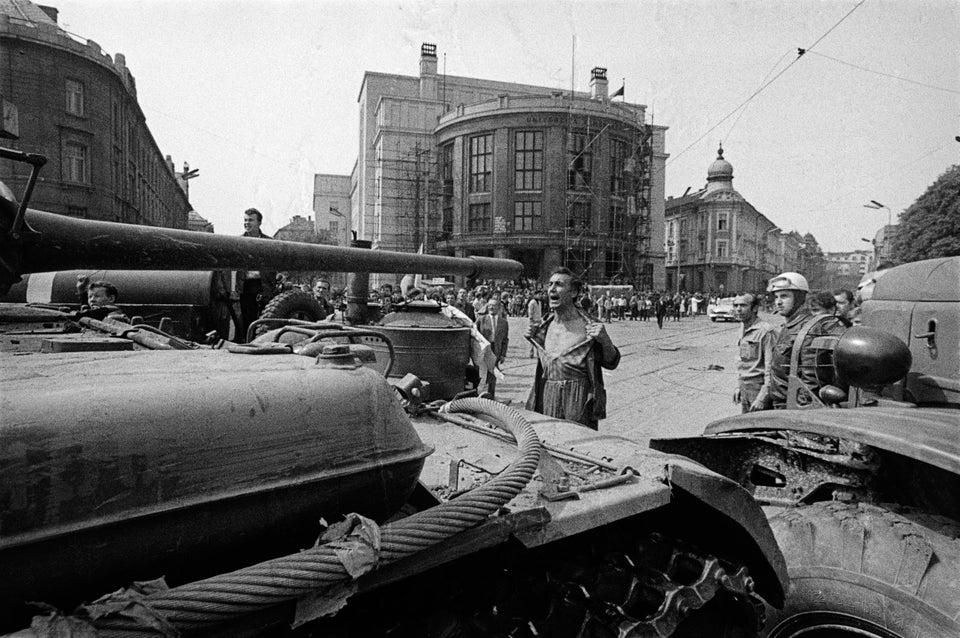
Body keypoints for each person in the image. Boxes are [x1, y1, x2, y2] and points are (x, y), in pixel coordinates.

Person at [524, 267, 620, 430]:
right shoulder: (544, 327)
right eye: (550, 284)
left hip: (578, 397)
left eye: (559, 284)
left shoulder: (590, 325)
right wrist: (533, 337)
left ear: (574, 292)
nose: (552, 289)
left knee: (577, 444)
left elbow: (612, 362)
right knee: (549, 441)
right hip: (548, 394)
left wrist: (605, 341)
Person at [766, 272, 830, 408]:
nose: (778, 302)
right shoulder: (788, 327)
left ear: (800, 298)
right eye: (776, 297)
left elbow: (811, 383)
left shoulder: (809, 329)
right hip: (779, 404)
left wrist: (797, 413)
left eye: (784, 296)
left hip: (792, 407)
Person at [236, 208, 277, 341]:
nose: (247, 223)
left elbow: (279, 264)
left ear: (259, 223)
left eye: (250, 220)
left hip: (264, 285)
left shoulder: (270, 243)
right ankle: (248, 344)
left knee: (265, 318)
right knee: (247, 318)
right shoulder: (237, 242)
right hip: (246, 285)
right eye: (245, 220)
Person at [732, 293, 774, 413]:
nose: (738, 309)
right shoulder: (742, 328)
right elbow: (742, 361)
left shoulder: (765, 331)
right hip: (745, 387)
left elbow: (770, 368)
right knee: (747, 428)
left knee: (760, 428)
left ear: (755, 308)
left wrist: (762, 397)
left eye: (743, 305)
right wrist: (738, 386)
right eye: (736, 305)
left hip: (758, 387)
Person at [477, 297, 509, 399]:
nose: (491, 307)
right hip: (484, 349)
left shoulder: (504, 323)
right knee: (481, 374)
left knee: (493, 374)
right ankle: (478, 396)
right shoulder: (481, 320)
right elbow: (474, 335)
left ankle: (491, 397)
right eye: (489, 305)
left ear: (499, 308)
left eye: (494, 305)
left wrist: (503, 354)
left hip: (496, 350)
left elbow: (505, 340)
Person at [526, 289, 543, 358]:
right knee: (532, 337)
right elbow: (530, 312)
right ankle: (531, 352)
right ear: (535, 295)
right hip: (533, 321)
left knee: (538, 337)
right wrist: (531, 320)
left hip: (538, 321)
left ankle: (538, 353)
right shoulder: (532, 302)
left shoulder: (539, 302)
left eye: (541, 294)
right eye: (539, 294)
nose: (540, 296)